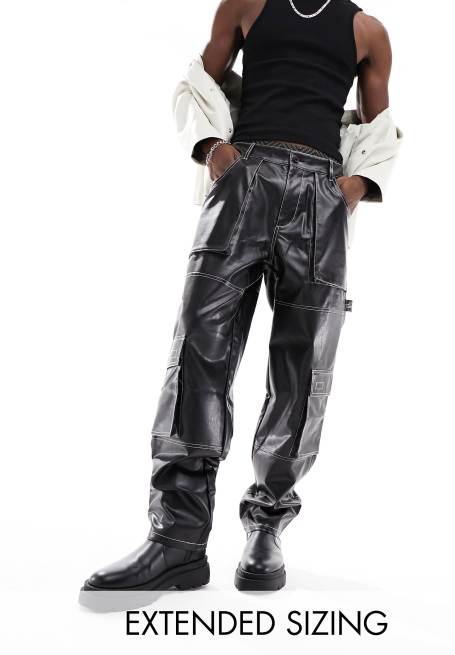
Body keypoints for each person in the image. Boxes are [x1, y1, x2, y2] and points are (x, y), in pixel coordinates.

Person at [80, 0, 395, 597]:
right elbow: (198, 82)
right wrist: (213, 150)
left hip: (320, 195)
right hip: (244, 178)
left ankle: (266, 527)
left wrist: (349, 189)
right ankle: (176, 539)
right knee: (199, 349)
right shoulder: (247, 4)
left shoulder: (367, 31)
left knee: (303, 370)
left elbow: (378, 128)